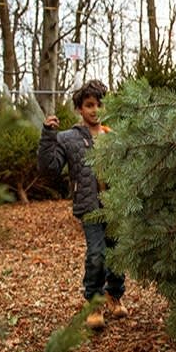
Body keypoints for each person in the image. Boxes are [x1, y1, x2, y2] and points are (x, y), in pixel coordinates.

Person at [38, 79, 128, 330]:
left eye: (100, 105)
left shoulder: (113, 137)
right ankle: (94, 303)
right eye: (89, 105)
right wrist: (48, 135)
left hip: (115, 206)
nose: (95, 110)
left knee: (117, 254)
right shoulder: (68, 139)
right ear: (79, 108)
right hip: (90, 207)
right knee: (97, 254)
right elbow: (49, 169)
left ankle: (115, 294)